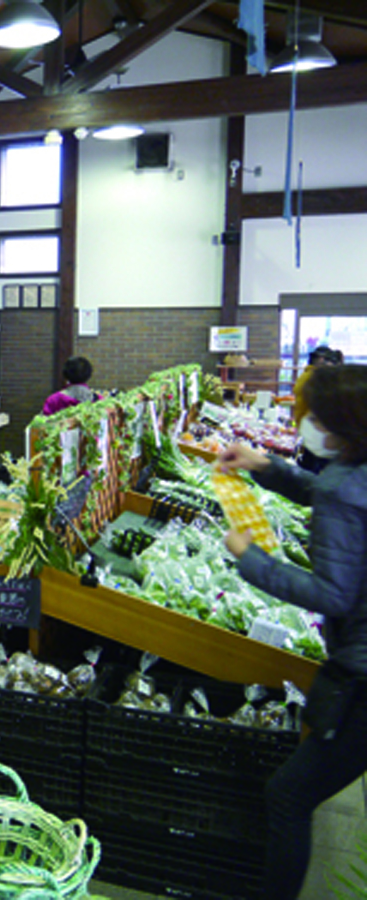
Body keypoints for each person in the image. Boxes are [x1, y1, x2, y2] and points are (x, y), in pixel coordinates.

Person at [217, 364, 367, 900]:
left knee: (287, 796)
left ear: (340, 423)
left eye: (313, 416)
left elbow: (333, 594)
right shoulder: (354, 468)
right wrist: (266, 466)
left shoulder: (344, 489)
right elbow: (329, 490)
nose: (305, 424)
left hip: (361, 675)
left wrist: (250, 558)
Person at [292, 345, 341, 474]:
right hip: (318, 434)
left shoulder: (307, 375)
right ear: (320, 359)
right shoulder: (317, 379)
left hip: (306, 428)